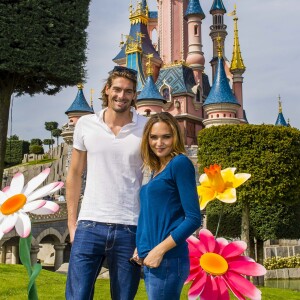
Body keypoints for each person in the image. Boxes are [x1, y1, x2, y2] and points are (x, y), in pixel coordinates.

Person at [65, 66, 148, 300]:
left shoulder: (146, 127)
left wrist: (147, 233)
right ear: (107, 89)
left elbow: (158, 176)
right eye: (117, 89)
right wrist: (73, 224)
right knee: (77, 297)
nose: (122, 96)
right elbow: (74, 173)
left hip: (130, 227)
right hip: (89, 225)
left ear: (134, 96)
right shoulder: (86, 124)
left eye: (128, 92)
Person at [134, 112, 201, 300]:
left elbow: (194, 218)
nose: (159, 143)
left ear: (175, 137)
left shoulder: (179, 163)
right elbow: (151, 215)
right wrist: (141, 247)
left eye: (166, 137)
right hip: (153, 260)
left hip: (168, 259)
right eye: (153, 137)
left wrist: (158, 250)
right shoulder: (157, 170)